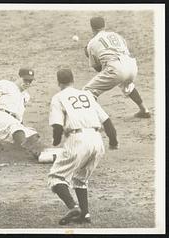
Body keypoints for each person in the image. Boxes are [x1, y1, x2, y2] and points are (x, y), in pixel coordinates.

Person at [48, 67, 118, 225]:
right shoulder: (87, 95)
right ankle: (85, 215)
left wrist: (55, 142)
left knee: (56, 177)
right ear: (73, 80)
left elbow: (57, 126)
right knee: (80, 179)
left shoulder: (58, 97)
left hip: (78, 140)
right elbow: (107, 121)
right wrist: (113, 141)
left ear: (59, 82)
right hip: (97, 140)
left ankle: (73, 207)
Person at [83, 16, 150, 118]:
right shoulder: (116, 35)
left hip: (116, 68)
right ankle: (144, 110)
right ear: (104, 26)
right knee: (126, 84)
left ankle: (96, 119)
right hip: (132, 65)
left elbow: (98, 69)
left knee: (87, 91)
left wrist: (88, 54)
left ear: (92, 28)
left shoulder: (91, 43)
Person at [0, 63, 44, 160]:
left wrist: (25, 132)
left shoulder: (26, 96)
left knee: (33, 135)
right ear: (19, 77)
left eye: (30, 81)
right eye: (25, 80)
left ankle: (3, 147)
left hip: (13, 123)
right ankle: (30, 152)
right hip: (1, 118)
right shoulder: (6, 85)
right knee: (17, 129)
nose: (28, 83)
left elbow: (19, 118)